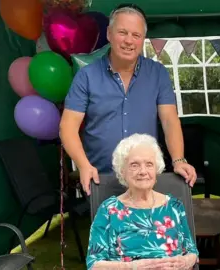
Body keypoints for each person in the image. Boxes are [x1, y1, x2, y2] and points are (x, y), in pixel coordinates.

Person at [60, 3, 196, 195]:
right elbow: (68, 127)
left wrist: (179, 160)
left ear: (143, 39)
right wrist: (83, 165)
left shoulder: (157, 73)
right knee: (106, 226)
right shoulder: (86, 76)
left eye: (136, 35)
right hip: (100, 177)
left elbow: (169, 120)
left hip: (145, 178)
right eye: (122, 32)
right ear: (109, 34)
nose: (129, 41)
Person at [86, 133, 198, 270]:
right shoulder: (109, 210)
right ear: (122, 171)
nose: (143, 171)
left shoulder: (174, 206)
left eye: (149, 164)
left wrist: (185, 262)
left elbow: (192, 252)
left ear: (157, 170)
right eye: (134, 165)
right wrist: (132, 267)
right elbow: (93, 264)